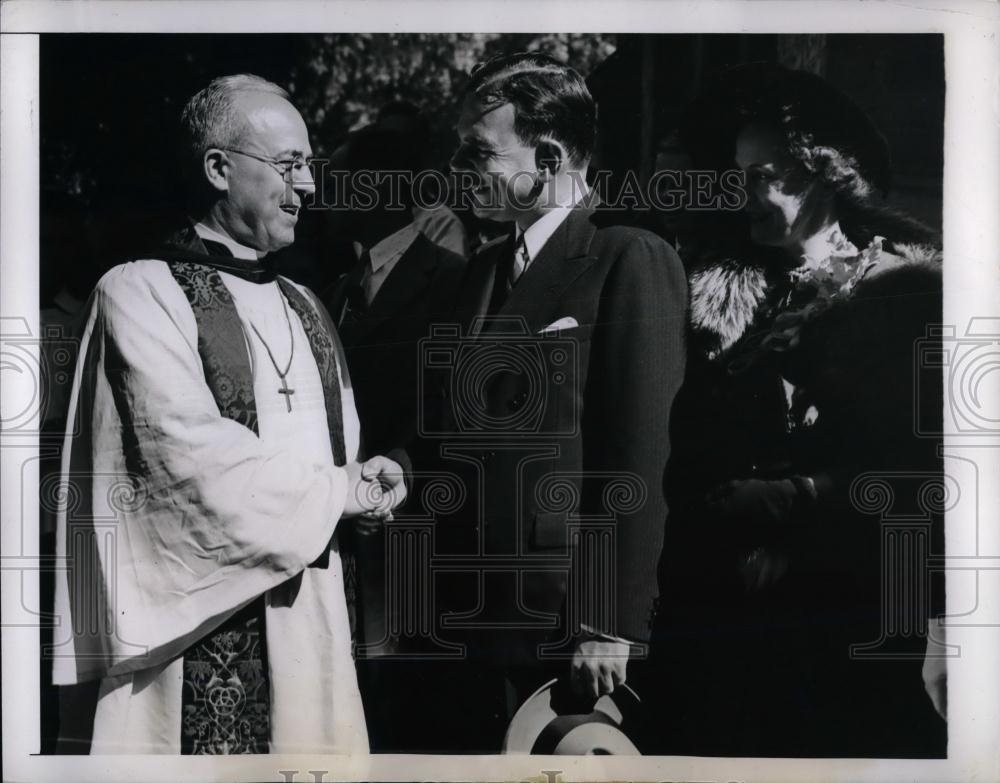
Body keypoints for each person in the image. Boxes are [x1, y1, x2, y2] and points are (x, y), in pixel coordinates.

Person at [50, 74, 406, 755]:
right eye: (288, 165)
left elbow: (332, 456)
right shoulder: (139, 291)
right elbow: (184, 461)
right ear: (219, 167)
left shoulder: (307, 303)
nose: (307, 187)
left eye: (310, 165)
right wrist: (342, 491)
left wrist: (366, 475)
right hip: (193, 627)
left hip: (309, 622)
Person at [652, 63, 946, 757]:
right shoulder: (714, 292)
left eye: (765, 176)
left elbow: (924, 473)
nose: (742, 193)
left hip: (849, 609)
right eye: (738, 173)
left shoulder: (903, 296)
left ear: (825, 175)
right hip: (724, 613)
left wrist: (793, 497)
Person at [414, 52, 687, 752]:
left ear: (550, 154)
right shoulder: (478, 272)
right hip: (466, 618)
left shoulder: (628, 255)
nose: (460, 167)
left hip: (562, 625)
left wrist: (608, 619)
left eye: (479, 152)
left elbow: (640, 453)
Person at [320, 121, 467, 751]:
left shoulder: (457, 282)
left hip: (418, 541)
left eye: (340, 177)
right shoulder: (341, 289)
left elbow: (455, 413)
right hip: (349, 538)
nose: (319, 190)